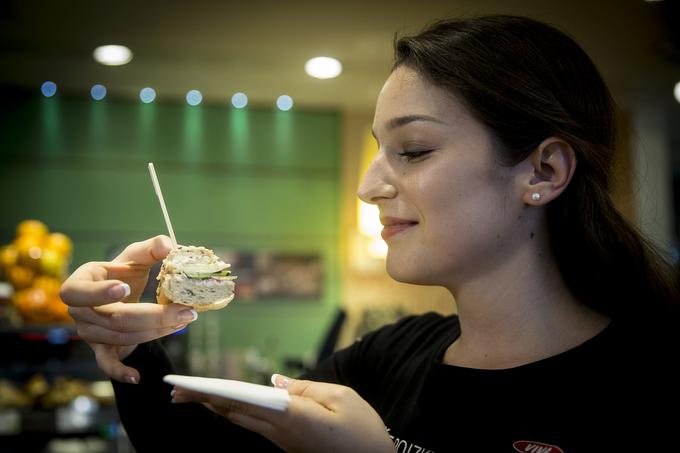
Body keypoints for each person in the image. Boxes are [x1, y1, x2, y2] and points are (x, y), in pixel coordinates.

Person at [61, 15, 679, 452]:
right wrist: (132, 345)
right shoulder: (392, 357)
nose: (367, 186)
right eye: (379, 149)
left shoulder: (645, 387)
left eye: (414, 149)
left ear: (543, 171)